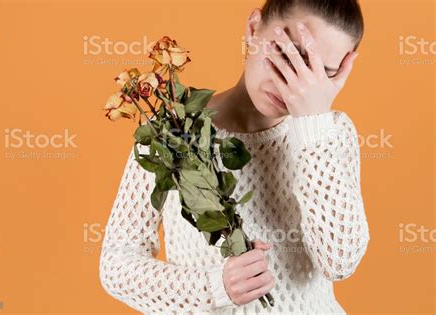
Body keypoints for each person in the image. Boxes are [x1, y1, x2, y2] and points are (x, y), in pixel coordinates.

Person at [99, 0, 370, 314]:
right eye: (288, 56)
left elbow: (339, 260)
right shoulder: (171, 131)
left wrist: (313, 125)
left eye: (321, 74)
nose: (294, 85)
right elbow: (118, 264)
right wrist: (213, 287)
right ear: (253, 29)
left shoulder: (331, 135)